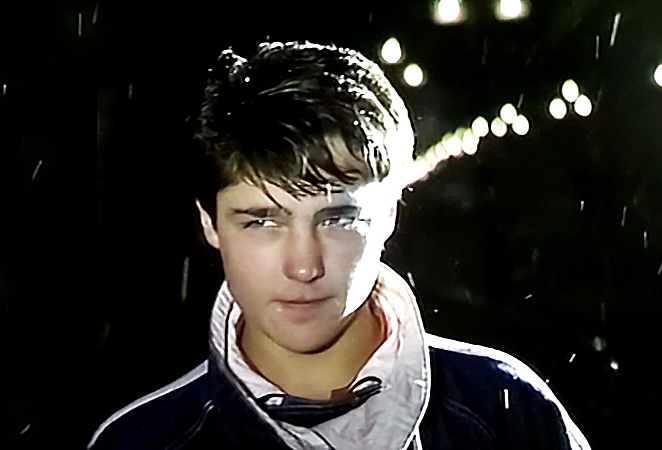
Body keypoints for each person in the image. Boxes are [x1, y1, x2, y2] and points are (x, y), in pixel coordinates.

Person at [88, 41, 591, 449]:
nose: (303, 266)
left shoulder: (507, 410)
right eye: (262, 222)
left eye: (338, 220)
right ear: (210, 223)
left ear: (389, 215)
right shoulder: (142, 442)